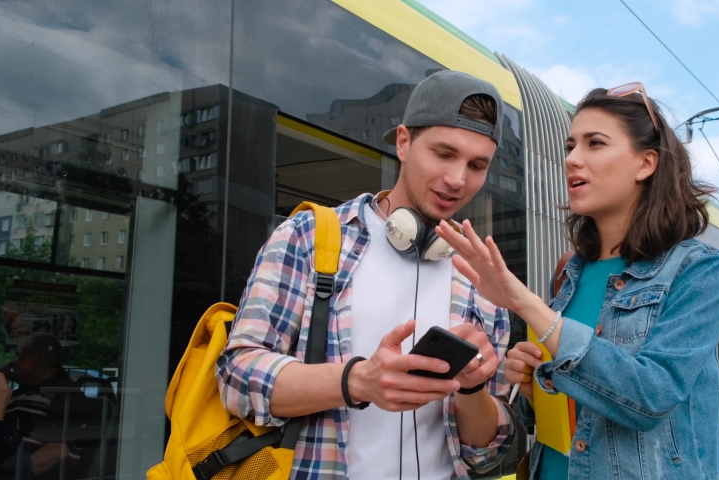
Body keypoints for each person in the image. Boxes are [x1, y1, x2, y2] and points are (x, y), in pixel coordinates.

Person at [217, 70, 515, 480]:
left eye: (477, 165)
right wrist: (358, 381)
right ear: (404, 142)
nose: (457, 180)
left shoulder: (480, 279)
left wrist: (473, 389)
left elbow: (484, 453)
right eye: (444, 154)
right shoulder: (308, 237)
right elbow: (236, 378)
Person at [435, 83, 719, 479]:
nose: (573, 159)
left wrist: (525, 303)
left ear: (646, 163)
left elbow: (650, 397)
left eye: (595, 143)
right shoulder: (569, 271)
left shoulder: (699, 270)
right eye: (570, 146)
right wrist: (530, 385)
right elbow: (567, 414)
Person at [0, 333, 96, 480]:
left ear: (38, 357)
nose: (13, 362)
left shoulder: (66, 397)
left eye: (19, 355)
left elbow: (59, 451)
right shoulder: (21, 393)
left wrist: (11, 474)